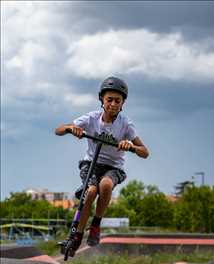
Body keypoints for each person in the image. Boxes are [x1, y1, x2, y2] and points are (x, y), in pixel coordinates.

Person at [55, 76, 149, 249]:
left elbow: (145, 152)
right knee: (90, 191)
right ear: (102, 100)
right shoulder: (91, 118)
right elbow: (58, 130)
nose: (113, 104)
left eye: (117, 101)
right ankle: (78, 234)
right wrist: (71, 128)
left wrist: (130, 146)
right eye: (109, 100)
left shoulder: (126, 125)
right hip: (91, 163)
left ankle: (96, 224)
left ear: (123, 104)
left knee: (105, 185)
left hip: (114, 167)